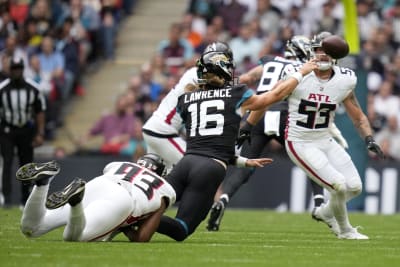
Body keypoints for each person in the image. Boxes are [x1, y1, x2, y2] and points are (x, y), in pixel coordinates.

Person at [237, 33, 384, 239]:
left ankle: (323, 212)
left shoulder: (345, 78)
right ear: (311, 52)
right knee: (339, 185)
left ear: (335, 55)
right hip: (300, 142)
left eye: (326, 51)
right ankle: (345, 230)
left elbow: (358, 117)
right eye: (317, 50)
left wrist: (369, 138)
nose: (321, 55)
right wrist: (248, 125)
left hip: (325, 139)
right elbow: (270, 99)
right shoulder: (295, 73)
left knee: (355, 187)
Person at [206, 34, 348, 232]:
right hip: (284, 114)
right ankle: (317, 204)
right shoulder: (307, 68)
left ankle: (223, 198)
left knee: (246, 164)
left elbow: (246, 79)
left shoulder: (271, 62)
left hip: (259, 114)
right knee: (311, 158)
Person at [156, 50, 275, 242]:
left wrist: (244, 161)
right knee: (182, 228)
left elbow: (208, 140)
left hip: (186, 162)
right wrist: (298, 74)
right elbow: (268, 99)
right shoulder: (236, 93)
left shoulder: (185, 99)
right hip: (209, 167)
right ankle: (137, 219)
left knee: (151, 208)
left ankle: (132, 218)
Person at [17, 153, 176, 242]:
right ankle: (76, 202)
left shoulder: (120, 165)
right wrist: (127, 228)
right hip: (122, 199)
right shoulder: (164, 189)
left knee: (32, 229)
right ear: (160, 173)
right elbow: (142, 238)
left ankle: (42, 184)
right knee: (76, 238)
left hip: (99, 184)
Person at [142, 41, 234, 172]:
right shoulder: (197, 74)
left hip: (157, 129)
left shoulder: (198, 74)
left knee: (161, 179)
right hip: (162, 132)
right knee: (197, 169)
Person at [0, 57, 46, 207]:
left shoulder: (33, 88)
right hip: (7, 130)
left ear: (23, 69)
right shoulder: (2, 89)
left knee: (26, 165)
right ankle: (6, 199)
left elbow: (40, 111)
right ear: (10, 70)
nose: (17, 72)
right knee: (6, 162)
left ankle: (25, 199)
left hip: (26, 129)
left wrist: (40, 133)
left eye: (19, 69)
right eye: (14, 69)